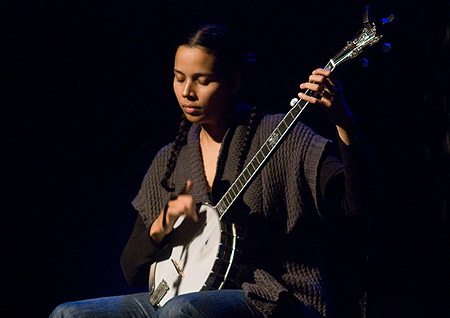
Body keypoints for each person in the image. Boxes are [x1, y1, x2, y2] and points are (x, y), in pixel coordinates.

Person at [50, 24, 379, 318]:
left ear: (235, 81)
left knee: (183, 311)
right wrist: (161, 228)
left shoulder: (282, 138)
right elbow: (132, 270)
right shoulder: (171, 159)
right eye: (179, 78)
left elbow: (360, 205)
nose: (186, 92)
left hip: (272, 297)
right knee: (68, 314)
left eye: (201, 80)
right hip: (179, 297)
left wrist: (342, 121)